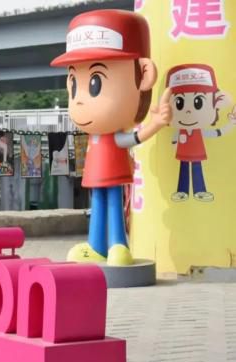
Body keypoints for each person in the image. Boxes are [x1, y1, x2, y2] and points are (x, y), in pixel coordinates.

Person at [50, 9, 172, 266]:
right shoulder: (94, 135)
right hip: (96, 174)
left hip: (113, 173)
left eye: (95, 84)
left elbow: (134, 138)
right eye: (74, 85)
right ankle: (95, 246)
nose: (79, 99)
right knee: (97, 205)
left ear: (144, 75)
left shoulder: (114, 137)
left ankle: (118, 243)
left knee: (115, 203)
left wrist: (155, 124)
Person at [166, 64, 236, 202]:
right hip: (183, 154)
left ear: (217, 102)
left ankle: (200, 190)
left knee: (197, 168)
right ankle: (182, 191)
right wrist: (175, 144)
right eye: (179, 103)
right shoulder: (180, 130)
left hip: (197, 153)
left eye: (198, 102)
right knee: (184, 169)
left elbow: (217, 132)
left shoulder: (200, 131)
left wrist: (231, 124)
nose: (188, 111)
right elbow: (174, 140)